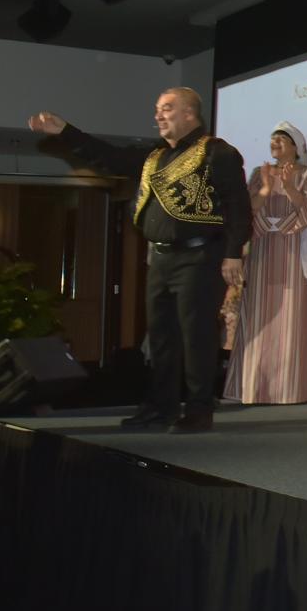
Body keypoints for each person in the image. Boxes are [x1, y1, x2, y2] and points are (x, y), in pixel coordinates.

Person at [29, 88, 251, 433]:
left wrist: (233, 253)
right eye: (157, 110)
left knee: (196, 337)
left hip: (200, 255)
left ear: (190, 113)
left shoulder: (217, 153)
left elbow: (238, 205)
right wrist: (66, 132)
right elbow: (110, 158)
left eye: (166, 109)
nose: (158, 116)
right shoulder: (154, 157)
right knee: (161, 338)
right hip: (161, 258)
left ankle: (198, 409)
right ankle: (159, 408)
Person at [223, 122, 307, 404]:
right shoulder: (259, 173)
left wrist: (290, 187)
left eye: (281, 139)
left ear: (295, 147)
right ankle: (255, 386)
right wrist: (267, 189)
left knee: (291, 316)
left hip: (294, 252)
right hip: (264, 251)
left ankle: (290, 390)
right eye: (272, 139)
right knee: (259, 314)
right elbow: (247, 210)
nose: (275, 144)